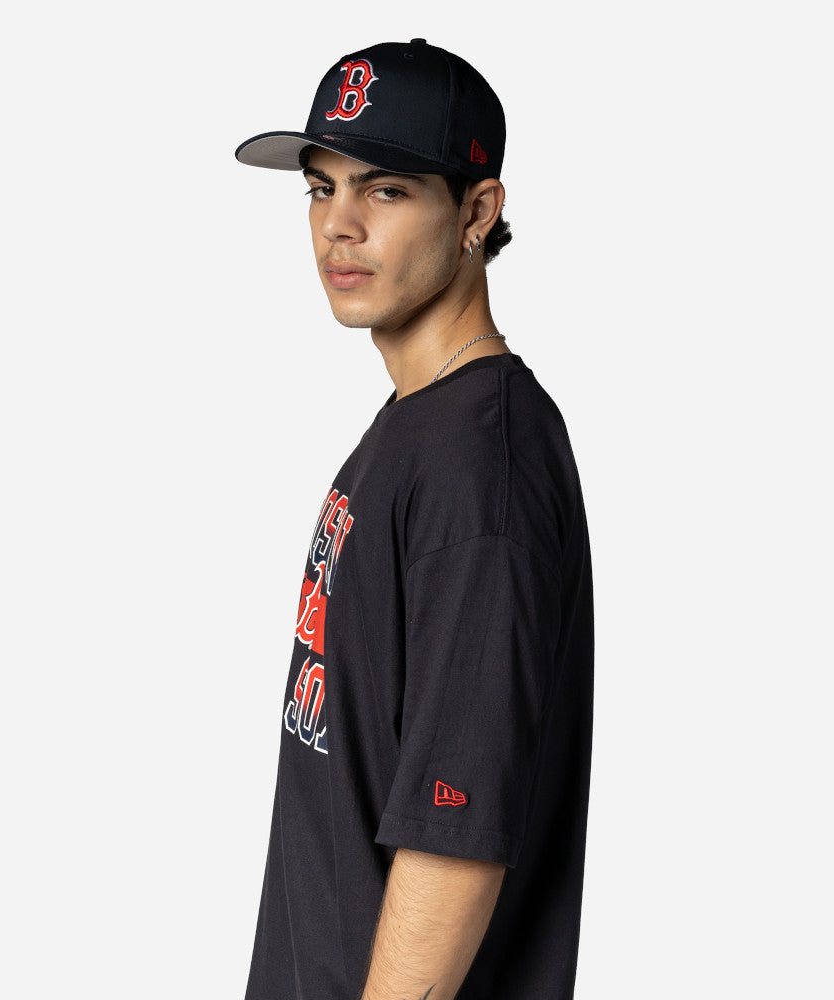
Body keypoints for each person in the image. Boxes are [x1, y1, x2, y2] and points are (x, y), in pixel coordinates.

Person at [235, 38, 594, 1000]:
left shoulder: (482, 467)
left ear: (477, 211)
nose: (338, 225)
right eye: (320, 188)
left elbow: (453, 839)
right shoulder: (419, 425)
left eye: (385, 190)